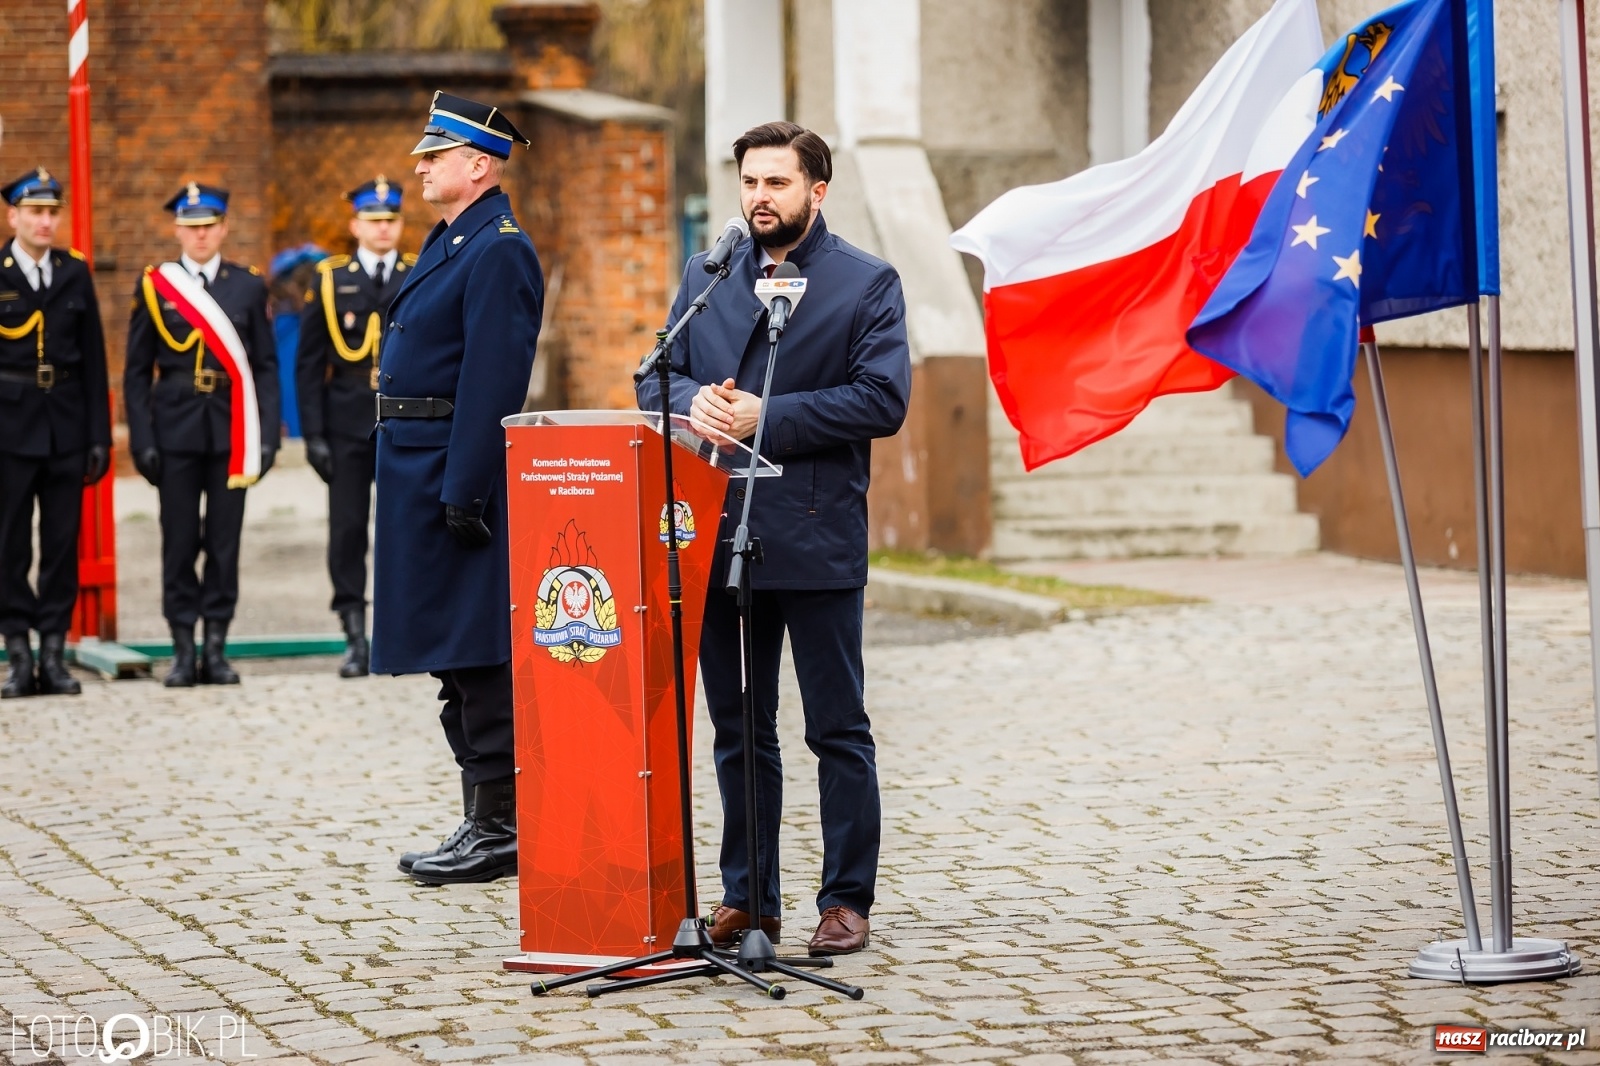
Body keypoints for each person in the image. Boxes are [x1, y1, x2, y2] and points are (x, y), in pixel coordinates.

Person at [636, 121, 911, 956]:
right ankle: (748, 898)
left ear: (816, 191)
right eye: (750, 183)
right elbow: (655, 371)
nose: (759, 198)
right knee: (738, 728)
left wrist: (771, 416)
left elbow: (881, 400)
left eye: (777, 184)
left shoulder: (866, 283)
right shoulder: (707, 272)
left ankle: (845, 900)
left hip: (818, 537)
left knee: (836, 728)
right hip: (720, 534)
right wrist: (696, 405)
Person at [373, 92, 543, 885]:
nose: (420, 165)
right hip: (417, 463)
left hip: (452, 470)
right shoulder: (455, 238)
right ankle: (485, 818)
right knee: (452, 653)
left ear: (479, 165)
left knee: (477, 653)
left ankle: (501, 826)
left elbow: (492, 379)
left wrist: (466, 488)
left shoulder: (499, 247)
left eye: (434, 155)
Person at [123, 183, 280, 688]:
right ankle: (182, 648)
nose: (200, 235)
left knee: (224, 542)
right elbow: (135, 371)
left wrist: (269, 437)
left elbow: (265, 367)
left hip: (233, 432)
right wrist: (141, 437)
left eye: (209, 225)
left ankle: (216, 646)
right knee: (179, 541)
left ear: (224, 228)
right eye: (191, 227)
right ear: (177, 231)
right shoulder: (155, 285)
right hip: (174, 433)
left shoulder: (249, 286)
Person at [296, 176, 415, 678]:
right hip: (346, 425)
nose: (382, 228)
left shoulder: (417, 273)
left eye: (390, 220)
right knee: (347, 531)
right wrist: (313, 435)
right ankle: (352, 634)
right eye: (373, 220)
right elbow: (307, 364)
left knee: (403, 528)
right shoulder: (328, 279)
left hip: (403, 422)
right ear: (355, 225)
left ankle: (404, 630)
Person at [0, 168, 111, 699]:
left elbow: (93, 359)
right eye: (35, 212)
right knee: (9, 546)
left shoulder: (74, 272)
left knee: (62, 545)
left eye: (52, 212)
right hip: (9, 428)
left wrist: (99, 436)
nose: (46, 222)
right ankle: (18, 653)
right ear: (13, 216)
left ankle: (53, 652)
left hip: (66, 425)